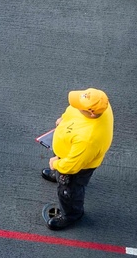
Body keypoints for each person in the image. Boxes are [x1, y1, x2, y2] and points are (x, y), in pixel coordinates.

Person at [40, 88, 113, 230]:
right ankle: (58, 176)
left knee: (70, 190)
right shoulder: (101, 102)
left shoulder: (89, 139)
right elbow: (72, 109)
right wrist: (64, 118)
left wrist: (56, 164)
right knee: (65, 175)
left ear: (91, 113)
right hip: (71, 151)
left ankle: (72, 213)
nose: (76, 104)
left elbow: (72, 166)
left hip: (77, 165)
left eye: (80, 106)